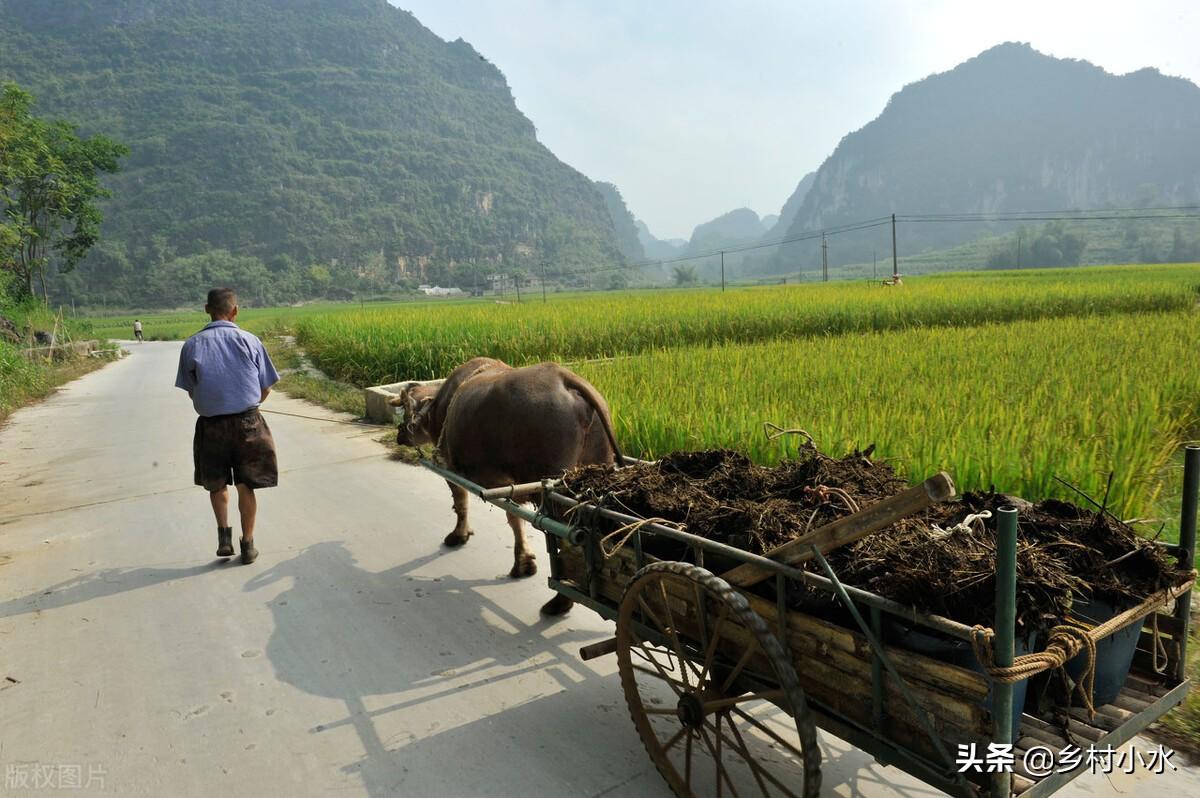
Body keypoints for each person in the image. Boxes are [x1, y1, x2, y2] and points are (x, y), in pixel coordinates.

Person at [174, 288, 280, 564]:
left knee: (217, 483)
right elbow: (265, 387)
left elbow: (190, 390)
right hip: (248, 422)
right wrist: (247, 402)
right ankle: (248, 544)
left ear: (207, 309)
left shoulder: (192, 344)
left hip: (211, 426)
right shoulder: (249, 340)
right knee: (246, 484)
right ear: (235, 311)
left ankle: (224, 537)